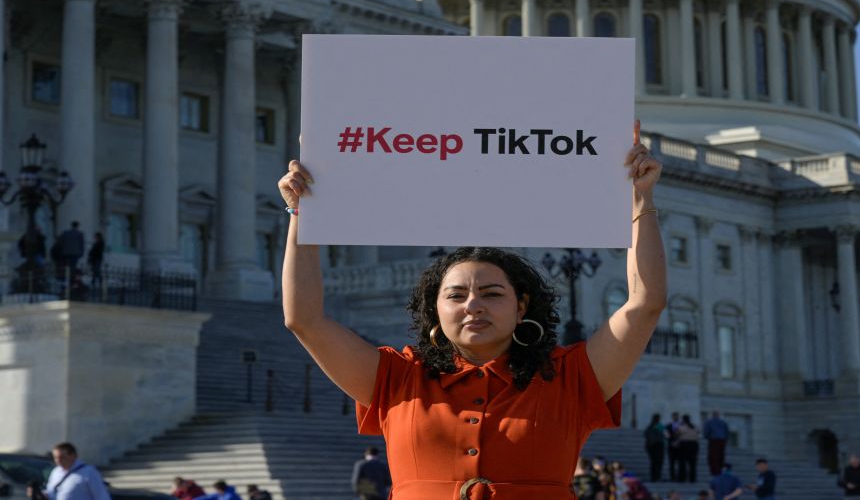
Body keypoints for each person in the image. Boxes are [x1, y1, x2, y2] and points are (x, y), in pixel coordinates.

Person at [277, 120, 666, 498]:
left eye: (493, 294)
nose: (473, 306)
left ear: (521, 307)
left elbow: (644, 303)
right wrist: (302, 214)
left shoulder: (570, 378)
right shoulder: (396, 378)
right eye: (456, 295)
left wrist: (639, 200)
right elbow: (304, 319)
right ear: (436, 309)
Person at [42, 442, 110, 500]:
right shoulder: (56, 472)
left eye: (62, 457)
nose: (58, 461)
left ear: (73, 455)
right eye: (55, 457)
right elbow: (51, 493)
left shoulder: (89, 472)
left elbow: (102, 496)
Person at [675, 415, 700, 484]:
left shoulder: (681, 427)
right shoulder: (694, 427)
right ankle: (692, 478)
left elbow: (676, 434)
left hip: (684, 445)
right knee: (692, 463)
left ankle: (682, 478)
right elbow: (698, 432)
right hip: (694, 445)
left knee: (682, 462)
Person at [703, 411, 730, 476]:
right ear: (718, 416)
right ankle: (720, 469)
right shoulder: (723, 422)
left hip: (714, 440)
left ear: (713, 415)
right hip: (722, 440)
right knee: (721, 455)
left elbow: (706, 432)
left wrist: (707, 437)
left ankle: (715, 471)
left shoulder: (709, 422)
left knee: (713, 456)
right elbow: (727, 432)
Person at [644, 413, 666, 482]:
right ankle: (657, 476)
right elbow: (665, 435)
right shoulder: (659, 427)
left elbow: (645, 435)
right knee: (658, 462)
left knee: (653, 462)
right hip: (658, 446)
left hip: (651, 446)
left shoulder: (649, 427)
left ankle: (654, 476)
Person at [667, 412, 682, 482]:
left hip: (680, 446)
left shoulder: (682, 425)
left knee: (680, 462)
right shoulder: (669, 426)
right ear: (672, 417)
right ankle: (672, 477)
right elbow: (666, 435)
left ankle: (680, 476)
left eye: (677, 416)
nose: (676, 418)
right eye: (674, 416)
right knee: (672, 463)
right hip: (671, 446)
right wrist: (671, 442)